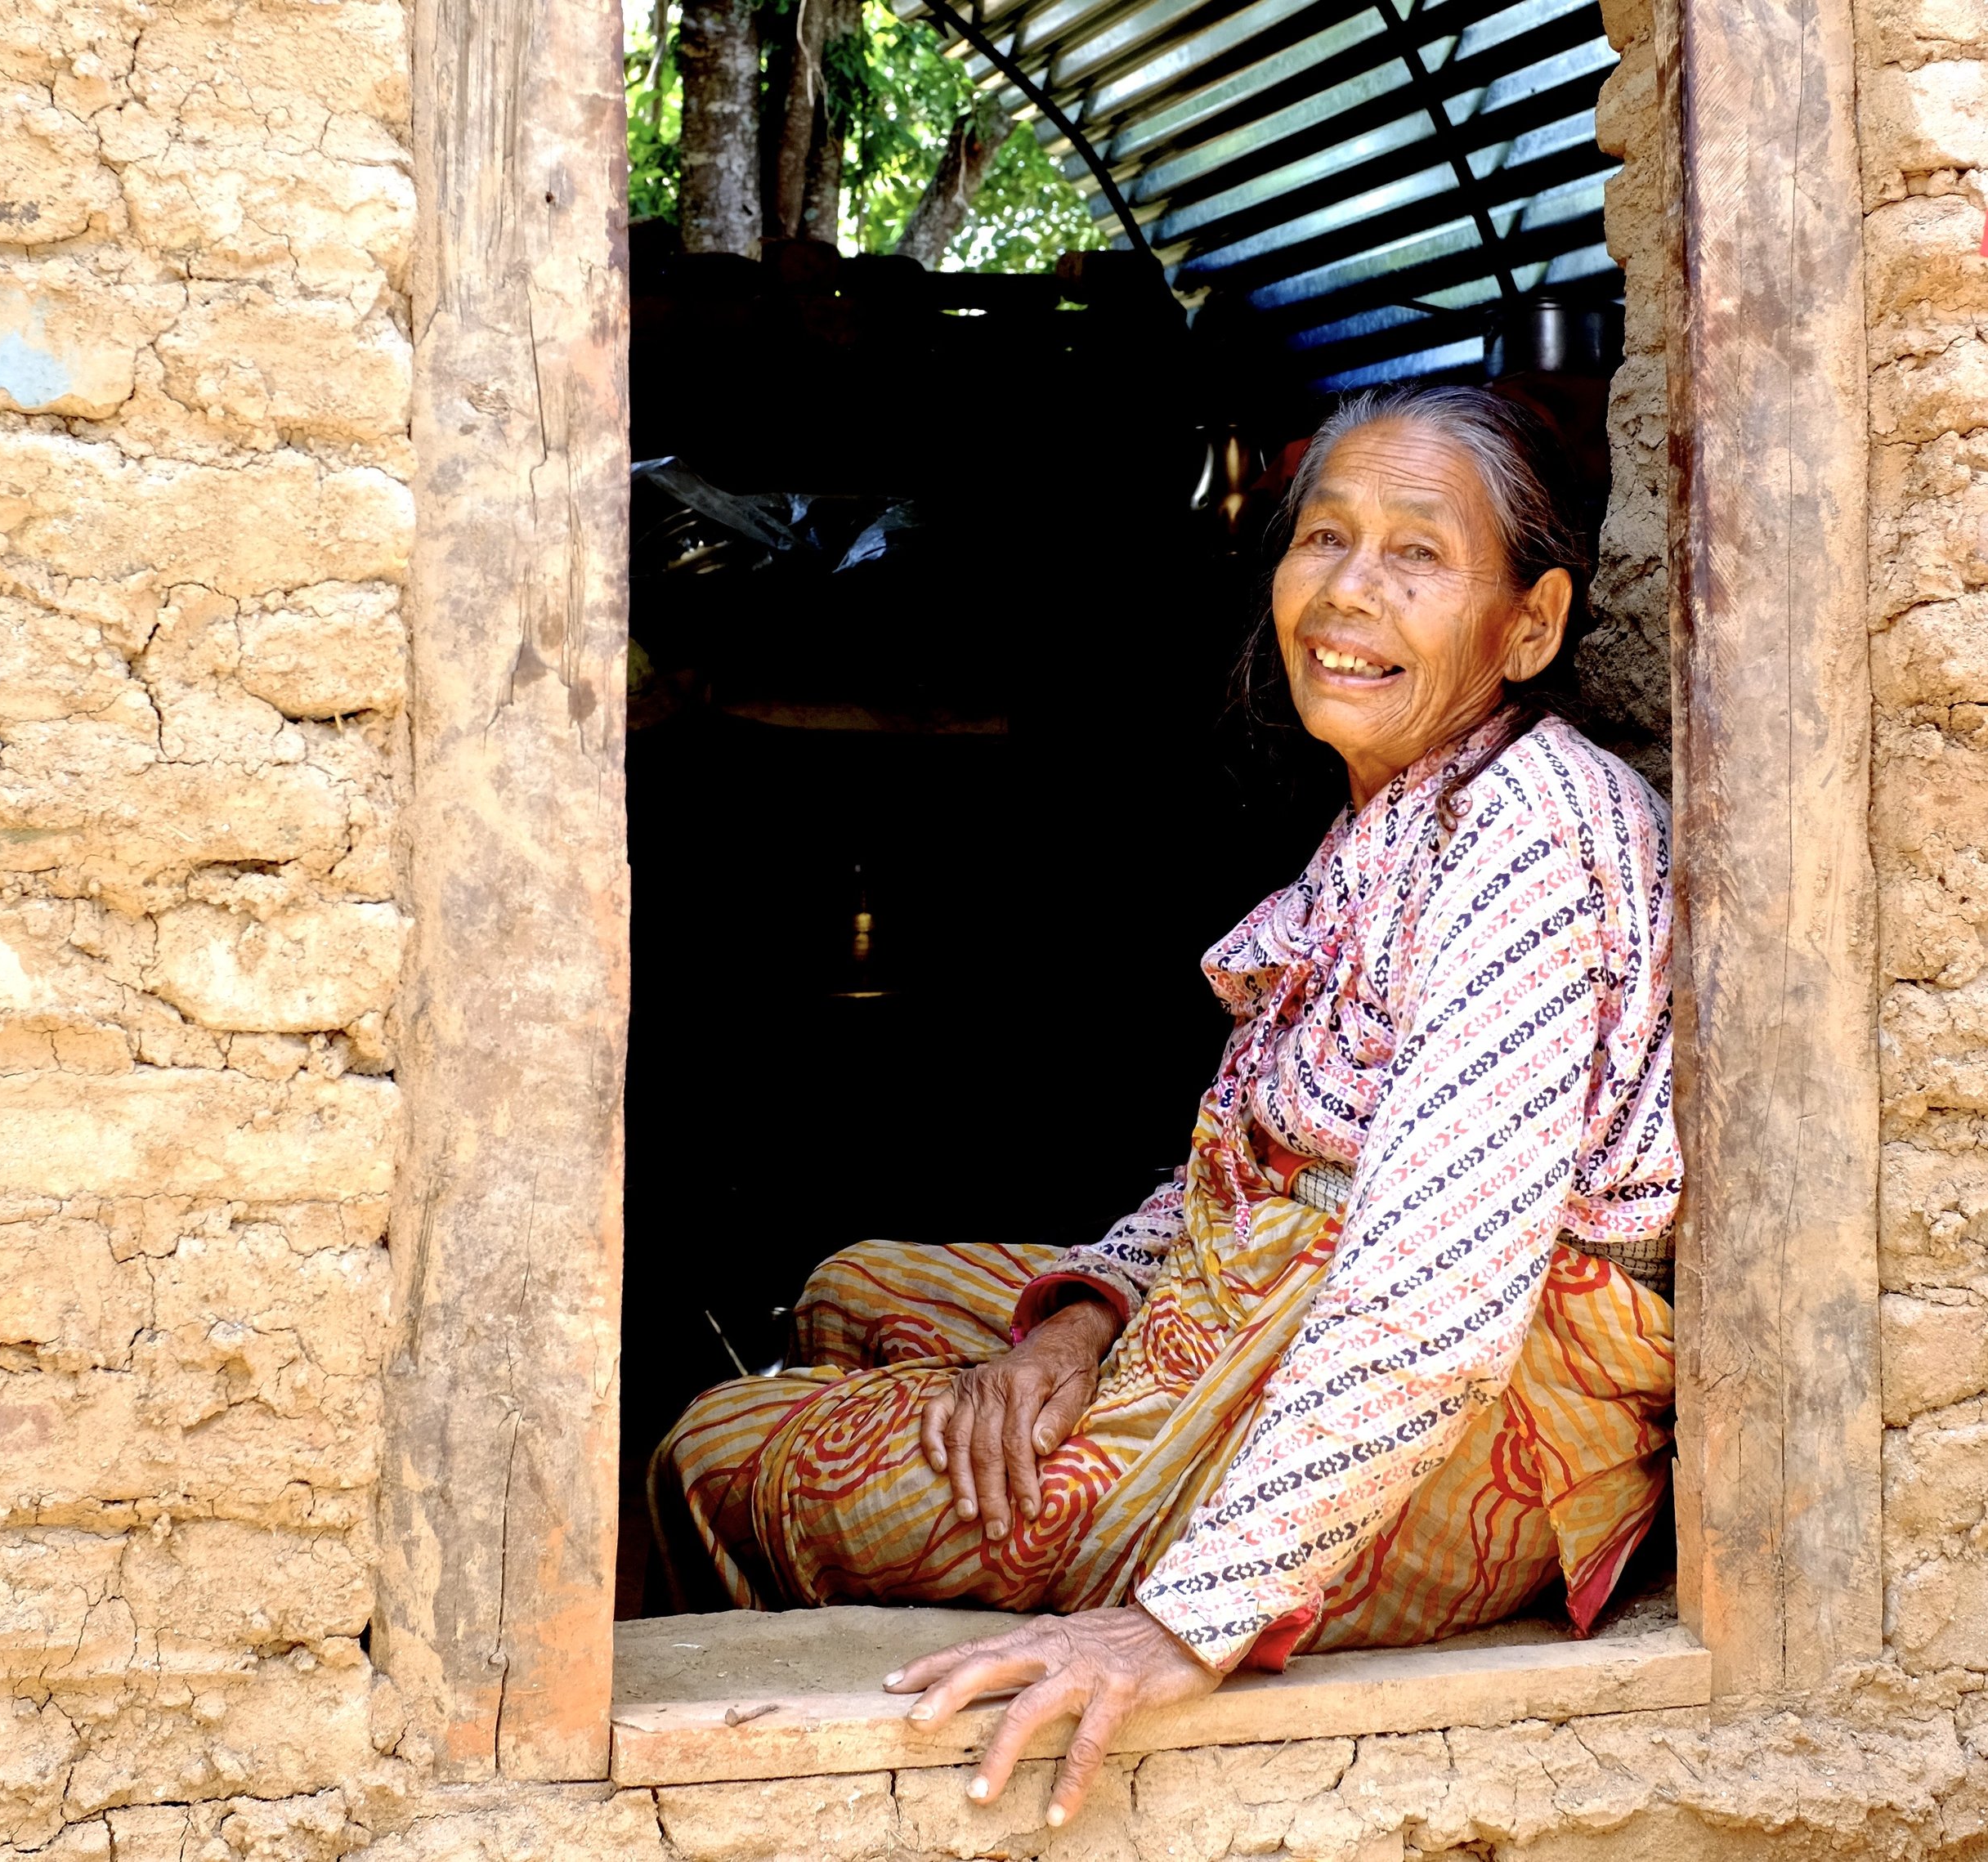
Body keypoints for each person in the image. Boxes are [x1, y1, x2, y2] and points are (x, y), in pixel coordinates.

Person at [651, 384, 1678, 1825]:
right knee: (848, 1287)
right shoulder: (1399, 809)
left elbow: (1432, 1298)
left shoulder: (1531, 834)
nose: (1348, 592)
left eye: (1417, 555)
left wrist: (1182, 1621)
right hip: (1263, 1294)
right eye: (1325, 537)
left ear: (1533, 622)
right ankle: (996, 1486)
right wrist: (1074, 1321)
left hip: (1459, 1413)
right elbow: (1240, 1172)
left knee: (714, 1453)